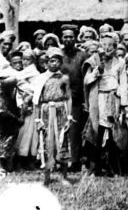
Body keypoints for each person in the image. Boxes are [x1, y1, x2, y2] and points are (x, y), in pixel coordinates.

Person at [82, 32, 128, 176]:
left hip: (114, 98)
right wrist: (96, 73)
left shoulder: (120, 62)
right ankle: (95, 165)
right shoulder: (94, 61)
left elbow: (123, 83)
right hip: (98, 99)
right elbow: (86, 81)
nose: (107, 49)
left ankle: (113, 165)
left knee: (114, 132)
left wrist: (123, 104)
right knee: (97, 131)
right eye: (104, 45)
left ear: (115, 47)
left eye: (110, 46)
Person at [32, 46, 73, 186]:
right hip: (45, 112)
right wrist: (37, 120)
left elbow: (68, 98)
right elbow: (36, 101)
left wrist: (69, 117)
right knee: (46, 142)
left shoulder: (64, 78)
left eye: (57, 61)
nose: (54, 64)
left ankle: (64, 176)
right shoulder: (41, 78)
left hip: (61, 110)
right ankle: (47, 177)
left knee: (62, 141)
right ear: (46, 63)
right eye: (51, 61)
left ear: (61, 63)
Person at [60, 24, 87, 171]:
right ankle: (61, 161)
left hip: (77, 99)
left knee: (75, 131)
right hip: (61, 99)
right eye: (65, 37)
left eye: (71, 36)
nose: (68, 39)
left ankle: (75, 161)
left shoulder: (82, 55)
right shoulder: (59, 55)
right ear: (62, 38)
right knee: (61, 130)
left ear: (75, 38)